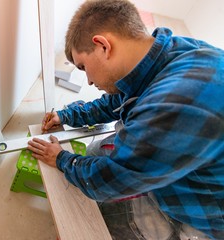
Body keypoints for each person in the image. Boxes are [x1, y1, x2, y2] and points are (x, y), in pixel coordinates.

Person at [27, 0, 224, 239]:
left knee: (102, 222)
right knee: (98, 149)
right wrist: (68, 115)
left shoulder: (171, 106)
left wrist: (61, 158)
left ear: (102, 46)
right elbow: (118, 99)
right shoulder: (174, 52)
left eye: (83, 66)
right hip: (190, 159)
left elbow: (105, 182)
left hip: (203, 210)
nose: (88, 81)